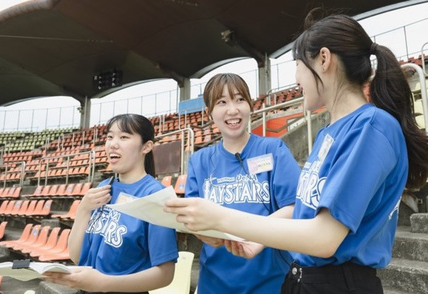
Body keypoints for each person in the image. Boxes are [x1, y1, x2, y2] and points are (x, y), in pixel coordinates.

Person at [165, 11, 428, 294]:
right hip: (302, 278)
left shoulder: (371, 127)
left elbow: (325, 237)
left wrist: (220, 218)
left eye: (298, 65)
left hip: (338, 283)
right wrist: (258, 238)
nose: (296, 79)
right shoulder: (330, 132)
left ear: (324, 60)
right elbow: (304, 212)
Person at [184, 73, 301, 293]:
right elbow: (193, 218)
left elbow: (295, 206)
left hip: (271, 283)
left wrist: (258, 237)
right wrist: (202, 233)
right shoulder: (199, 160)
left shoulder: (273, 149)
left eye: (240, 99)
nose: (233, 109)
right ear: (210, 112)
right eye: (221, 102)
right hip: (214, 284)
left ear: (250, 105)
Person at [44, 114, 178, 294]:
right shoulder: (102, 188)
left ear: (146, 146)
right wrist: (83, 210)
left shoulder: (156, 195)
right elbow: (77, 257)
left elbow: (165, 274)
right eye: (109, 137)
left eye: (124, 137)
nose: (113, 143)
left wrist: (103, 284)